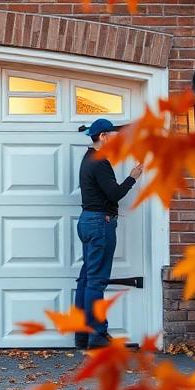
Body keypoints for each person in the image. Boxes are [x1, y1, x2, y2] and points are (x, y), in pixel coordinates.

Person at [75, 118, 143, 349]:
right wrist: (133, 176)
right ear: (103, 136)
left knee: (86, 278)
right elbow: (114, 194)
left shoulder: (87, 159)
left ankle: (83, 334)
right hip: (99, 223)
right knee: (96, 281)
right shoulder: (99, 161)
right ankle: (97, 334)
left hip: (87, 221)